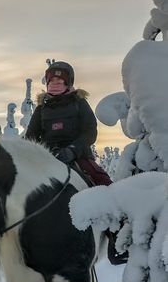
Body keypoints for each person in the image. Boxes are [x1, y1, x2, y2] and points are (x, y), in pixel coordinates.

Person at [24, 61, 127, 264]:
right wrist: (42, 154)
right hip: (48, 158)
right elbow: (31, 137)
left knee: (104, 184)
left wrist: (73, 150)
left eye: (59, 80)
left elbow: (90, 131)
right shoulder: (41, 109)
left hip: (78, 155)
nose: (54, 84)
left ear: (68, 82)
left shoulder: (79, 103)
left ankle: (118, 241)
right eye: (51, 80)